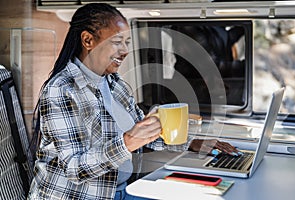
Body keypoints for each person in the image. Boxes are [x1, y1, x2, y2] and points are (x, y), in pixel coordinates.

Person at [27, 3, 240, 200]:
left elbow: (146, 134)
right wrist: (128, 142)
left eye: (126, 42)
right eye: (117, 42)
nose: (125, 51)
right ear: (88, 40)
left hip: (119, 191)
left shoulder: (113, 83)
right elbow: (74, 168)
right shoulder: (61, 90)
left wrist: (192, 143)